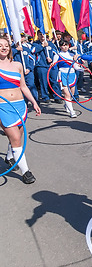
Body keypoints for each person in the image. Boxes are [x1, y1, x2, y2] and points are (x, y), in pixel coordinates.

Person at [0, 35, 41, 184]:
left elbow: (23, 86)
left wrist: (34, 102)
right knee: (16, 139)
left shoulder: (17, 65)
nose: (3, 47)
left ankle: (10, 157)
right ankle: (26, 172)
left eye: (6, 45)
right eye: (0, 45)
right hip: (3, 107)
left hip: (20, 106)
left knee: (17, 137)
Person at [51, 40, 78, 118]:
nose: (65, 46)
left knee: (72, 94)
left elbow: (76, 66)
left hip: (72, 74)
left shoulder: (72, 54)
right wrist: (53, 64)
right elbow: (54, 64)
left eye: (66, 45)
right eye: (63, 45)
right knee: (67, 94)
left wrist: (83, 69)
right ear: (60, 46)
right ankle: (72, 111)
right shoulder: (58, 55)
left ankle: (67, 105)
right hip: (63, 74)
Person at [12, 33, 38, 103]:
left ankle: (35, 101)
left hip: (27, 71)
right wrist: (15, 50)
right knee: (20, 87)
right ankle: (23, 101)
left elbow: (32, 59)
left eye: (22, 37)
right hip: (17, 72)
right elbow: (8, 58)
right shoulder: (11, 49)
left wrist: (29, 68)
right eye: (19, 36)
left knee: (31, 85)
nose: (21, 38)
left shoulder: (26, 49)